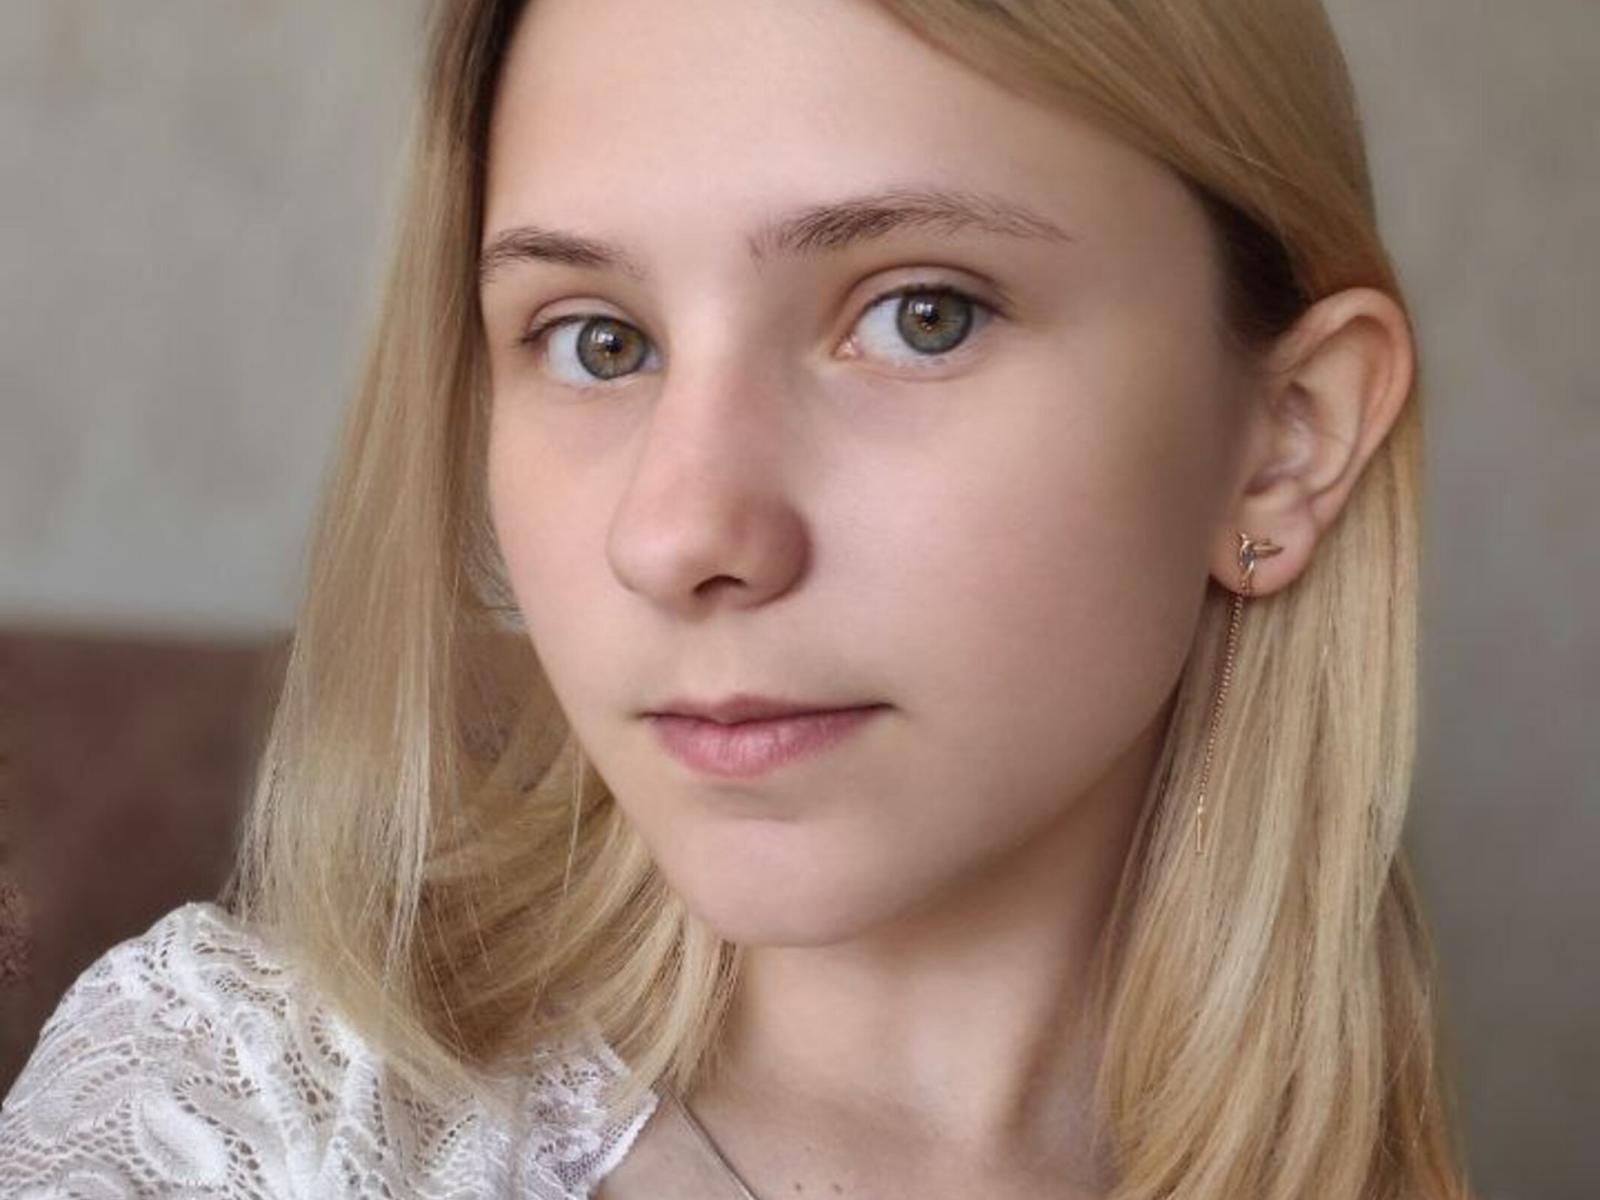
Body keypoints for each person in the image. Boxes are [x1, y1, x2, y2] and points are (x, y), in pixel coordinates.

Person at [0, 1, 1477, 1196]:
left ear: (1285, 444)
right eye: (598, 340)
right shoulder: (230, 1125)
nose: (680, 532)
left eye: (921, 314)